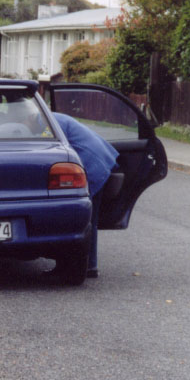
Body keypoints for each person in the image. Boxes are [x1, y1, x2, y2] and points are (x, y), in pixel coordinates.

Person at [52, 112, 119, 278]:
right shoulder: (53, 117)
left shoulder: (48, 122)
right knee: (90, 220)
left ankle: (84, 265)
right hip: (101, 157)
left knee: (84, 220)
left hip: (92, 165)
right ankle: (89, 265)